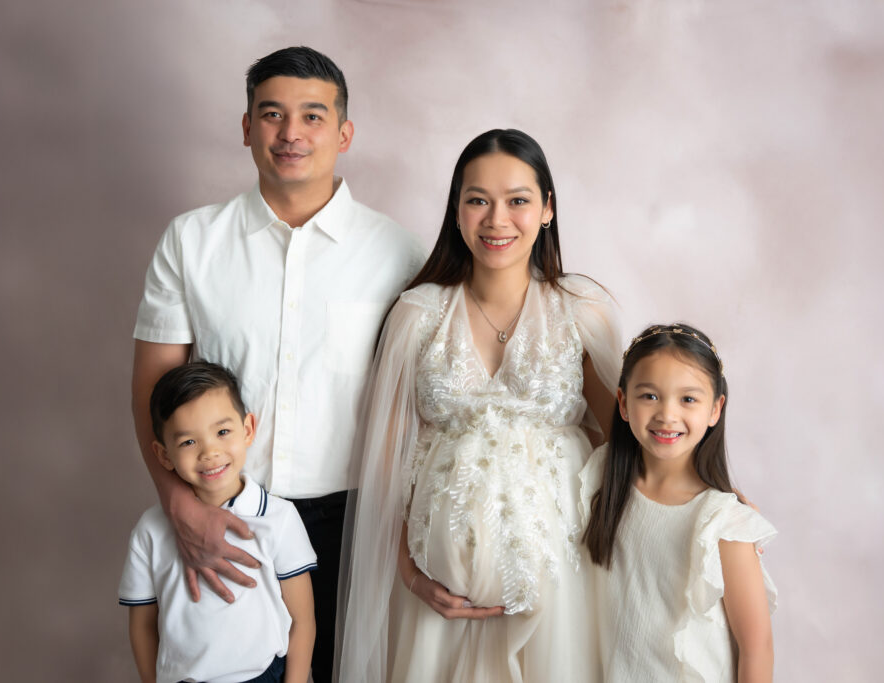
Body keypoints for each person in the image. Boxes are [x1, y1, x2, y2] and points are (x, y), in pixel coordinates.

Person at [130, 46, 423, 683]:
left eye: (313, 116)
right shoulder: (191, 242)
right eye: (271, 114)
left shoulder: (400, 253)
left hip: (355, 518)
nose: (291, 133)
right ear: (245, 127)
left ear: (344, 133)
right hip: (228, 515)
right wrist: (180, 503)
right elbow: (153, 387)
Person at [338, 129, 624, 683]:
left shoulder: (580, 311)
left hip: (562, 583)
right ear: (456, 209)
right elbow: (384, 464)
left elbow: (631, 435)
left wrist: (708, 488)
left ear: (547, 209)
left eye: (517, 200)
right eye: (477, 200)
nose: (497, 219)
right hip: (437, 594)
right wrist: (410, 573)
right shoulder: (417, 316)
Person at [580, 324, 777, 682]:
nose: (667, 415)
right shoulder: (602, 479)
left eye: (688, 399)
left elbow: (756, 646)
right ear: (623, 403)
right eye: (649, 396)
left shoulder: (722, 523)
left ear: (715, 409)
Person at [120, 362, 316, 683]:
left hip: (263, 677)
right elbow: (142, 624)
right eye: (188, 442)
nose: (210, 452)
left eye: (222, 432)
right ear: (163, 455)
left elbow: (303, 620)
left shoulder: (278, 518)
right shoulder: (151, 530)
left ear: (248, 429)